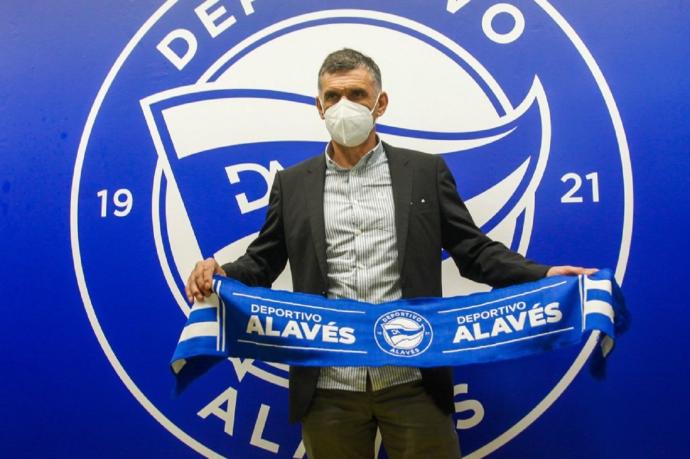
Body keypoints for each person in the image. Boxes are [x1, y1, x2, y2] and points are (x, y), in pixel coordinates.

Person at [185, 48, 595, 459]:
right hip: (328, 383)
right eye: (332, 96)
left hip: (413, 378)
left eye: (357, 94)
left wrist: (542, 276)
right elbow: (264, 260)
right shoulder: (292, 184)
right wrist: (220, 274)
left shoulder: (425, 172)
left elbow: (473, 250)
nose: (344, 106)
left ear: (380, 103)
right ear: (319, 106)